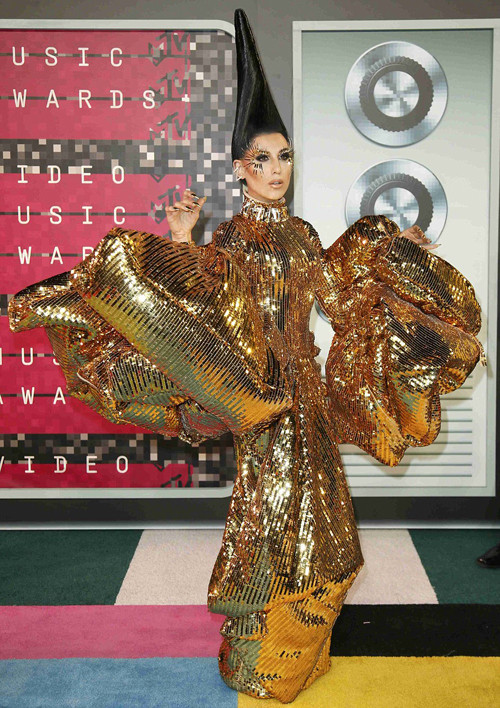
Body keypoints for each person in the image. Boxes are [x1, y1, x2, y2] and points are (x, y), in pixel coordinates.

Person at [8, 9, 484, 704]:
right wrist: (182, 238)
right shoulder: (232, 237)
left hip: (306, 398)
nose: (276, 170)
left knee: (323, 523)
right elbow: (201, 303)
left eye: (284, 157)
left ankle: (290, 653)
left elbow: (339, 295)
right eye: (262, 159)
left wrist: (394, 255)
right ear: (239, 168)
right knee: (281, 518)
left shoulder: (302, 235)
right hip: (265, 402)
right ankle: (264, 659)